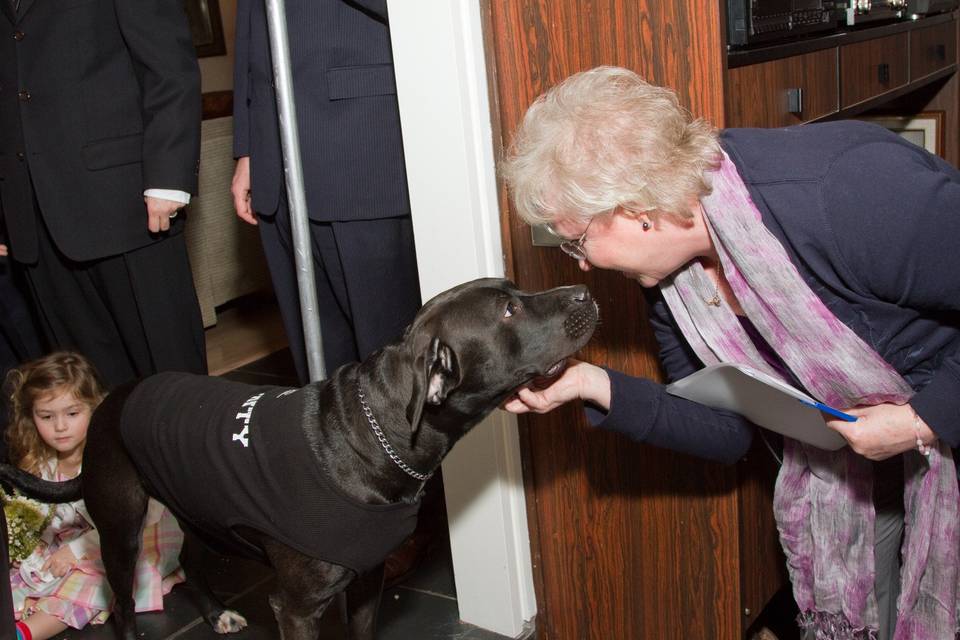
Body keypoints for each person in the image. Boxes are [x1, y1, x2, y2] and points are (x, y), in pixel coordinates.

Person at [501, 66, 960, 640]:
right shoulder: (677, 289)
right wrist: (587, 383)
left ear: (634, 206)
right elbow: (728, 431)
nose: (582, 263)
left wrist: (922, 418)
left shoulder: (843, 190)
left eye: (577, 240)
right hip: (861, 464)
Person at [0, 0, 207, 387]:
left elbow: (170, 68)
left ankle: (189, 450)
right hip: (33, 217)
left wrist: (168, 177)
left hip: (129, 203)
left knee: (172, 377)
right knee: (84, 386)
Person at [231, 0, 421, 383]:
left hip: (358, 148)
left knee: (391, 365)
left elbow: (419, 12)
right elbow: (252, 22)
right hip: (275, 161)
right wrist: (248, 146)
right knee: (319, 372)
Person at [3, 352, 184, 640]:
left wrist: (75, 551)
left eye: (72, 414)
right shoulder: (41, 461)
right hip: (70, 538)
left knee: (91, 585)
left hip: (128, 537)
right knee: (21, 576)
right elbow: (45, 516)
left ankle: (22, 633)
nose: (60, 427)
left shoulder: (113, 458)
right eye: (46, 416)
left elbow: (137, 518)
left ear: (96, 407)